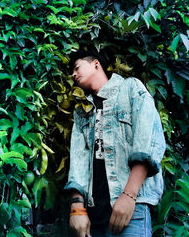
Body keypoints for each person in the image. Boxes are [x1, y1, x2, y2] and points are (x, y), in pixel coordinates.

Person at [64, 50, 166, 237]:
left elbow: (149, 141)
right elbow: (77, 162)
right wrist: (77, 209)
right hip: (92, 217)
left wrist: (129, 196)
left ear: (96, 64)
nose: (73, 75)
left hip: (131, 209)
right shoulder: (81, 113)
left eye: (77, 68)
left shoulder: (130, 89)